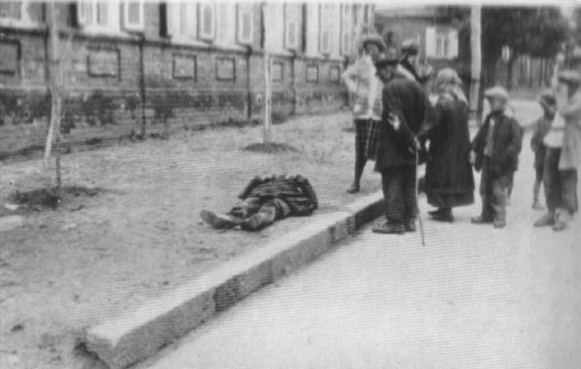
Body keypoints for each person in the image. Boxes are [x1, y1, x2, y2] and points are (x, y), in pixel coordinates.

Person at [372, 52, 434, 234]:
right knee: (409, 182)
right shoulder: (417, 87)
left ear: (389, 69)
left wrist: (409, 138)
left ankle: (395, 222)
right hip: (412, 147)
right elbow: (431, 117)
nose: (378, 76)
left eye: (380, 72)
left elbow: (394, 118)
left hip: (394, 145)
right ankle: (409, 221)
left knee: (392, 181)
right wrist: (418, 138)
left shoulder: (390, 88)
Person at [417, 68, 475, 222]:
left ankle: (445, 212)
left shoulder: (442, 103)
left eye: (438, 81)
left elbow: (432, 125)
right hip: (458, 147)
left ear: (442, 83)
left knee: (442, 177)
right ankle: (444, 209)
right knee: (451, 178)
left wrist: (418, 136)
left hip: (443, 148)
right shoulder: (461, 102)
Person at [534, 70, 581, 231]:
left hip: (568, 143)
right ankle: (552, 211)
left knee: (567, 178)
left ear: (572, 86)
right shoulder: (565, 98)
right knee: (549, 177)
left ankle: (566, 213)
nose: (560, 88)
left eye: (564, 85)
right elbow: (555, 113)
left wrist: (560, 95)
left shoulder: (578, 100)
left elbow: (564, 111)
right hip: (553, 140)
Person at [470, 86, 522, 228]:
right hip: (487, 158)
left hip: (502, 161)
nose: (490, 104)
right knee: (485, 188)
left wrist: (506, 156)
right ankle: (486, 214)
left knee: (498, 189)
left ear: (503, 102)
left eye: (493, 101)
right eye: (490, 101)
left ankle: (499, 216)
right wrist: (473, 148)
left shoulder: (510, 120)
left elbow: (516, 143)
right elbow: (480, 136)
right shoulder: (490, 118)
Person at [342, 34, 386, 194]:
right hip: (362, 113)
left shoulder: (384, 64)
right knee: (361, 149)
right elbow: (346, 75)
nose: (371, 52)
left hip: (379, 112)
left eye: (374, 48)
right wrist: (355, 90)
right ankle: (356, 182)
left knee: (381, 148)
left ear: (379, 49)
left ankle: (385, 183)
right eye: (368, 48)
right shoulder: (361, 63)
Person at [200, 175, 318, 231]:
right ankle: (222, 219)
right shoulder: (263, 182)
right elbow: (244, 194)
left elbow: (306, 187)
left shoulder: (292, 182)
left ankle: (257, 219)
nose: (279, 176)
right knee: (246, 205)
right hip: (260, 195)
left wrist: (312, 201)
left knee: (271, 207)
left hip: (284, 198)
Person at [530, 90, 557, 211]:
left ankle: (536, 200)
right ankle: (540, 201)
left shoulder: (541, 120)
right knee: (545, 178)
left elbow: (534, 140)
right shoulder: (552, 121)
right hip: (545, 152)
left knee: (540, 178)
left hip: (542, 152)